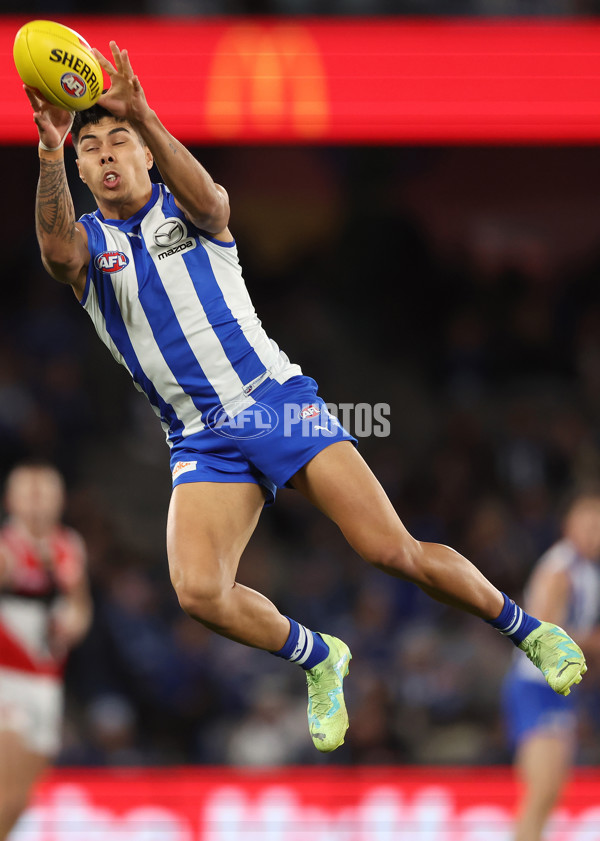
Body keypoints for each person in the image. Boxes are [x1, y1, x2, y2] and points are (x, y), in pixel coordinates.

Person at [23, 40, 586, 756]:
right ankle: (319, 655)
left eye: (119, 141)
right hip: (198, 437)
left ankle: (528, 629)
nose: (106, 155)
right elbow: (55, 254)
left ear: (144, 153)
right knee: (198, 592)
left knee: (393, 551)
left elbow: (216, 200)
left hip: (275, 403)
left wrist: (146, 113)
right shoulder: (88, 246)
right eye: (91, 147)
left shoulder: (186, 208)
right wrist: (49, 151)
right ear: (81, 166)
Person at [0, 462, 92, 840]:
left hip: (48, 681)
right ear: (11, 500)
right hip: (9, 678)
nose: (38, 505)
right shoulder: (6, 549)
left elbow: (81, 606)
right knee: (6, 783)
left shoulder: (69, 545)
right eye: (29, 495)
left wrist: (74, 624)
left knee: (24, 792)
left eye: (46, 495)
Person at [503, 491, 600, 841]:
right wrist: (592, 640)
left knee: (553, 790)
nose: (595, 535)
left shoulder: (587, 570)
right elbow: (544, 631)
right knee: (541, 789)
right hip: (535, 686)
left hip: (559, 690)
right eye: (588, 525)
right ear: (569, 526)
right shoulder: (562, 568)